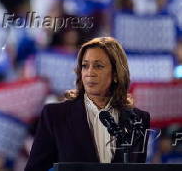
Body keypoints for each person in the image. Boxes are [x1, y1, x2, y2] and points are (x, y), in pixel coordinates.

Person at [25, 37, 150, 171]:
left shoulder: (139, 119)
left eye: (98, 66)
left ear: (115, 74)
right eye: (85, 66)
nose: (90, 73)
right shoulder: (55, 115)